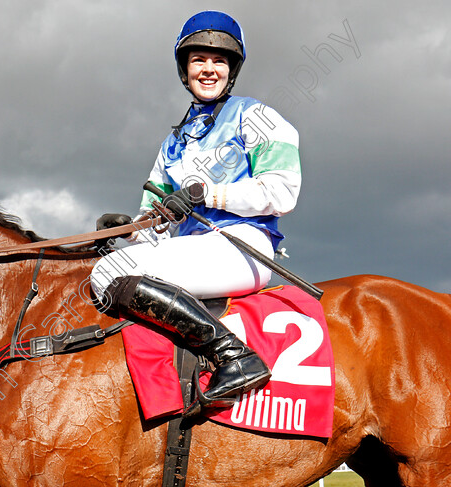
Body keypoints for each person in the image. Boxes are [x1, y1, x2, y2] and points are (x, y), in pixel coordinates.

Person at [91, 11, 301, 406]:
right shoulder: (174, 143)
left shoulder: (256, 117)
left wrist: (207, 193)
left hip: (244, 245)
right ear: (184, 70)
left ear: (231, 69)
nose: (208, 69)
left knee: (108, 273)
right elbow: (156, 218)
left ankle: (234, 356)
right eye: (198, 60)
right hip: (195, 249)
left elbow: (283, 190)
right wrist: (128, 228)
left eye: (218, 60)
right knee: (108, 267)